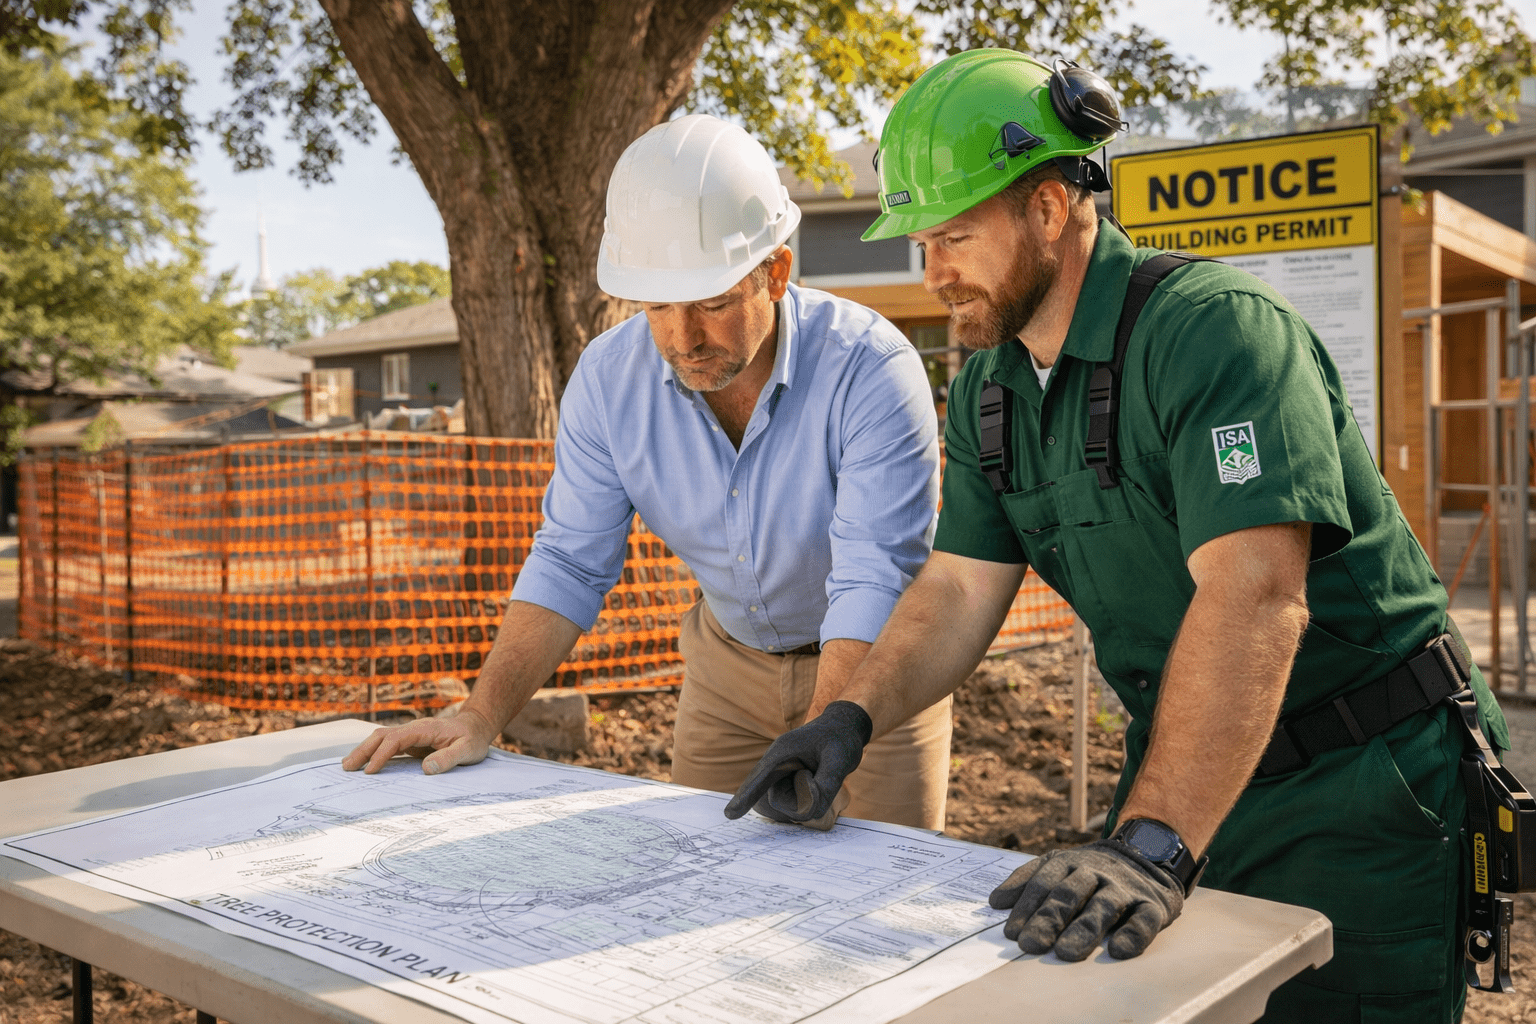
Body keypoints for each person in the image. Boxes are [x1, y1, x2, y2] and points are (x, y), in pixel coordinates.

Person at [725, 49, 1510, 1022]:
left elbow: (1256, 595)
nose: (934, 275)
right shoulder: (990, 388)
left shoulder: (1218, 335)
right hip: (1184, 770)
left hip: (1361, 786)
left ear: (1050, 209)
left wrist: (1155, 840)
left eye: (956, 236)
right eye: (921, 243)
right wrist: (846, 717)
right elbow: (958, 590)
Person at [342, 114, 951, 831]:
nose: (681, 337)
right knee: (701, 880)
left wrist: (830, 725)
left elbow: (871, 576)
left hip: (876, 670)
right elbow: (570, 560)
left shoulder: (871, 369)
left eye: (714, 303)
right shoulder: (607, 380)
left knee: (876, 892)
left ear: (776, 272)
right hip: (727, 669)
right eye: (657, 306)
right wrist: (481, 715)